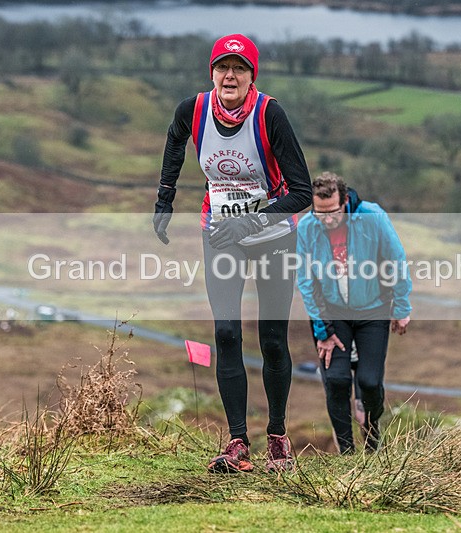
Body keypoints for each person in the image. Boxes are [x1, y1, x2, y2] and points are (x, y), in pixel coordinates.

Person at [153, 34, 312, 473]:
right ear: (211, 72)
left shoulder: (270, 114)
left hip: (274, 235)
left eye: (239, 69)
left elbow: (302, 192)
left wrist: (252, 220)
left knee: (272, 339)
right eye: (223, 67)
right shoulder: (194, 109)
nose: (230, 75)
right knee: (225, 334)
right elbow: (174, 139)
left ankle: (277, 437)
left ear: (251, 76)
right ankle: (237, 441)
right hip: (220, 234)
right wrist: (165, 198)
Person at [297, 172, 412, 454]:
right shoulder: (307, 227)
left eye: (333, 212)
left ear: (345, 201)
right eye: (319, 213)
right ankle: (347, 453)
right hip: (332, 314)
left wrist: (401, 306)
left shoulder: (372, 217)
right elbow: (306, 280)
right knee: (336, 380)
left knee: (369, 382)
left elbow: (396, 259)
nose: (327, 219)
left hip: (372, 310)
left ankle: (372, 441)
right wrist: (322, 330)